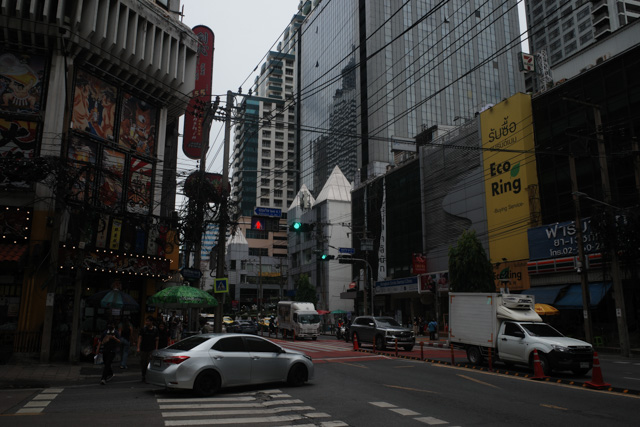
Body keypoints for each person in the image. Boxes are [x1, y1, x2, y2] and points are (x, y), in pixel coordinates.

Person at [137, 315, 159, 382]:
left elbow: (157, 339)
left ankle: (148, 376)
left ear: (151, 322)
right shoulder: (143, 329)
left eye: (148, 321)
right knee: (143, 362)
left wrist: (156, 348)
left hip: (151, 348)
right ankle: (143, 375)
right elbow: (140, 338)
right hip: (143, 348)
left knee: (149, 362)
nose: (147, 322)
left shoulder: (155, 330)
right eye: (146, 321)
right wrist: (138, 347)